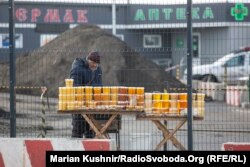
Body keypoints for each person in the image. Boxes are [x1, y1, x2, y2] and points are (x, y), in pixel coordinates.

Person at [70, 51, 102, 138]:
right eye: (93, 63)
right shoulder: (78, 68)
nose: (95, 65)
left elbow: (99, 85)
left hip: (92, 105)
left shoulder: (97, 69)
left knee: (91, 130)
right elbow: (75, 86)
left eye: (97, 64)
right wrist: (85, 96)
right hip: (79, 104)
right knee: (78, 129)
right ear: (88, 60)